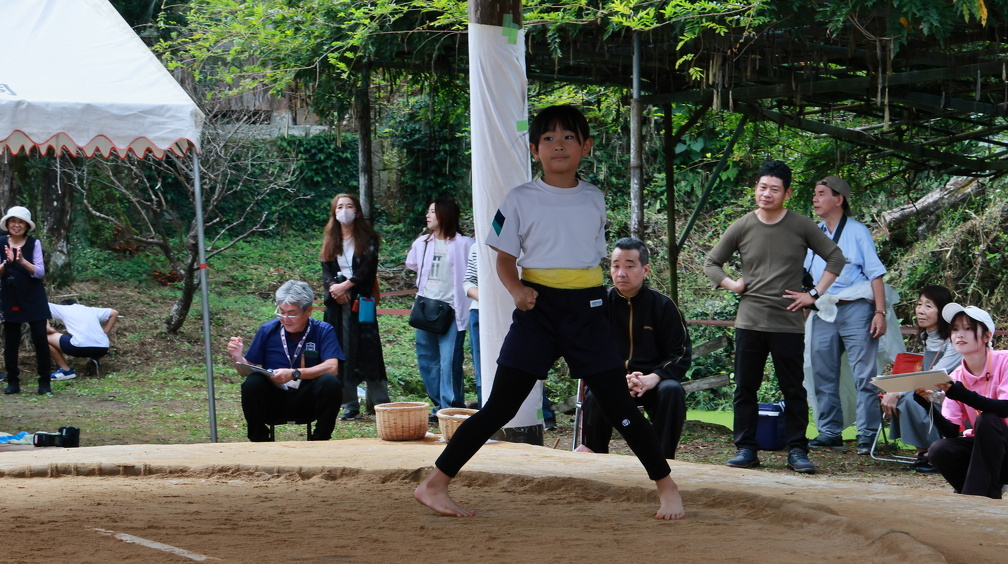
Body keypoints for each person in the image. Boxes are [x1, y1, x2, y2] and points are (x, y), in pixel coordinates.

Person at [414, 105, 685, 520]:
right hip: (537, 309)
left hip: (588, 309)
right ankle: (434, 484)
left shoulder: (594, 197)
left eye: (569, 137)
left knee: (619, 405)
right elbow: (503, 258)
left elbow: (588, 257)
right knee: (499, 407)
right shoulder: (520, 198)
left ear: (586, 146)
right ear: (534, 149)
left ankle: (667, 487)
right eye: (548, 138)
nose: (559, 145)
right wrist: (516, 290)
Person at [704, 160, 846, 474]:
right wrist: (732, 284)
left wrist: (813, 294)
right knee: (745, 388)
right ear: (755, 188)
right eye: (762, 187)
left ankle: (797, 450)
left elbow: (835, 257)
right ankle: (746, 449)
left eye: (775, 189)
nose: (767, 194)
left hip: (788, 323)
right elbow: (712, 263)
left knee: (793, 389)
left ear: (787, 193)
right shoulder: (742, 225)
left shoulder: (801, 225)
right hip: (750, 321)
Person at [579, 237, 692, 459]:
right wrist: (617, 379)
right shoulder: (599, 306)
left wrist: (655, 377)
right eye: (616, 266)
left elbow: (680, 352)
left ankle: (662, 461)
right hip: (612, 381)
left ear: (645, 270)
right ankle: (596, 461)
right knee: (596, 395)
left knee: (672, 391)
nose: (621, 273)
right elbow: (586, 352)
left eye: (629, 266)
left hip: (652, 383)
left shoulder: (664, 306)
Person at [804, 176, 888, 455]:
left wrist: (879, 312)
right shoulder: (814, 233)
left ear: (838, 199)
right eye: (814, 193)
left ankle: (868, 434)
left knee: (865, 374)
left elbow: (876, 274)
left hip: (856, 307)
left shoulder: (857, 231)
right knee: (822, 372)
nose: (815, 198)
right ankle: (830, 432)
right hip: (823, 308)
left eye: (821, 193)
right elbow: (805, 277)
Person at [227, 280, 344, 442]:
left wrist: (295, 373)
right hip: (274, 400)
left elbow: (332, 367)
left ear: (308, 311)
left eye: (292, 313)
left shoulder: (323, 330)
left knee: (331, 382)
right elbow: (244, 371)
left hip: (307, 399)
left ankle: (320, 439)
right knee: (252, 383)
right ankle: (259, 439)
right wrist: (237, 356)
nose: (285, 318)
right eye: (281, 312)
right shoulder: (268, 330)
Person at [321, 193, 390, 420]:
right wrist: (335, 289)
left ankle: (380, 403)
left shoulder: (368, 238)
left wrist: (347, 286)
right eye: (340, 206)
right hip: (337, 304)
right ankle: (349, 403)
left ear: (357, 211)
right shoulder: (331, 238)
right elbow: (326, 268)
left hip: (361, 302)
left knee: (369, 350)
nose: (344, 210)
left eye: (349, 206)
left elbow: (368, 269)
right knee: (341, 350)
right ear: (334, 212)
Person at [927, 303, 1008, 499]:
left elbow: (1005, 408)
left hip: (1005, 449)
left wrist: (962, 394)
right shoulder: (956, 376)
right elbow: (951, 432)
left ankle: (974, 496)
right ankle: (980, 492)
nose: (959, 335)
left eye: (968, 328)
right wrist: (926, 404)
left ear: (987, 336)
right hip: (985, 451)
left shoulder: (1005, 360)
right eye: (955, 329)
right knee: (939, 450)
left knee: (988, 419)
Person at [405, 197, 474, 421]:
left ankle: (451, 408)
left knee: (449, 361)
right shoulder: (422, 243)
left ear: (445, 214)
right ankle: (438, 406)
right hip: (426, 308)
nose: (428, 215)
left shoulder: (465, 244)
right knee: (427, 360)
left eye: (433, 211)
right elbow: (412, 265)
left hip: (452, 310)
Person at [880, 286, 962, 472]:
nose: (921, 310)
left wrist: (898, 391)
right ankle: (922, 453)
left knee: (911, 398)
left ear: (942, 311)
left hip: (951, 397)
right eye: (919, 304)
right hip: (929, 390)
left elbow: (935, 375)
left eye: (928, 306)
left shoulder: (954, 340)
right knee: (908, 398)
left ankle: (936, 455)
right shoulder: (927, 336)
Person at [0, 206, 52, 395]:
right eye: (13, 221)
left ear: (27, 226)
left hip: (33, 296)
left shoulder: (33, 243)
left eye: (21, 222)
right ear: (7, 224)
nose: (16, 225)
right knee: (11, 340)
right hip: (10, 295)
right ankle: (13, 381)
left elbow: (39, 272)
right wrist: (7, 262)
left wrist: (21, 261)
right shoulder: (1, 243)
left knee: (40, 338)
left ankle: (44, 382)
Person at [46, 299, 119, 381]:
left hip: (79, 348)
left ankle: (66, 371)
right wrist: (104, 334)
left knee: (43, 338)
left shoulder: (63, 308)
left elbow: (42, 306)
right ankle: (94, 358)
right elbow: (114, 313)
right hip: (103, 349)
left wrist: (47, 327)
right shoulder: (91, 310)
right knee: (90, 339)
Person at [462, 244, 483, 406]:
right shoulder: (477, 246)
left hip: (516, 309)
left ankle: (542, 413)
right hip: (480, 311)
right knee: (482, 365)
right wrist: (486, 298)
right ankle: (485, 406)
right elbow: (468, 282)